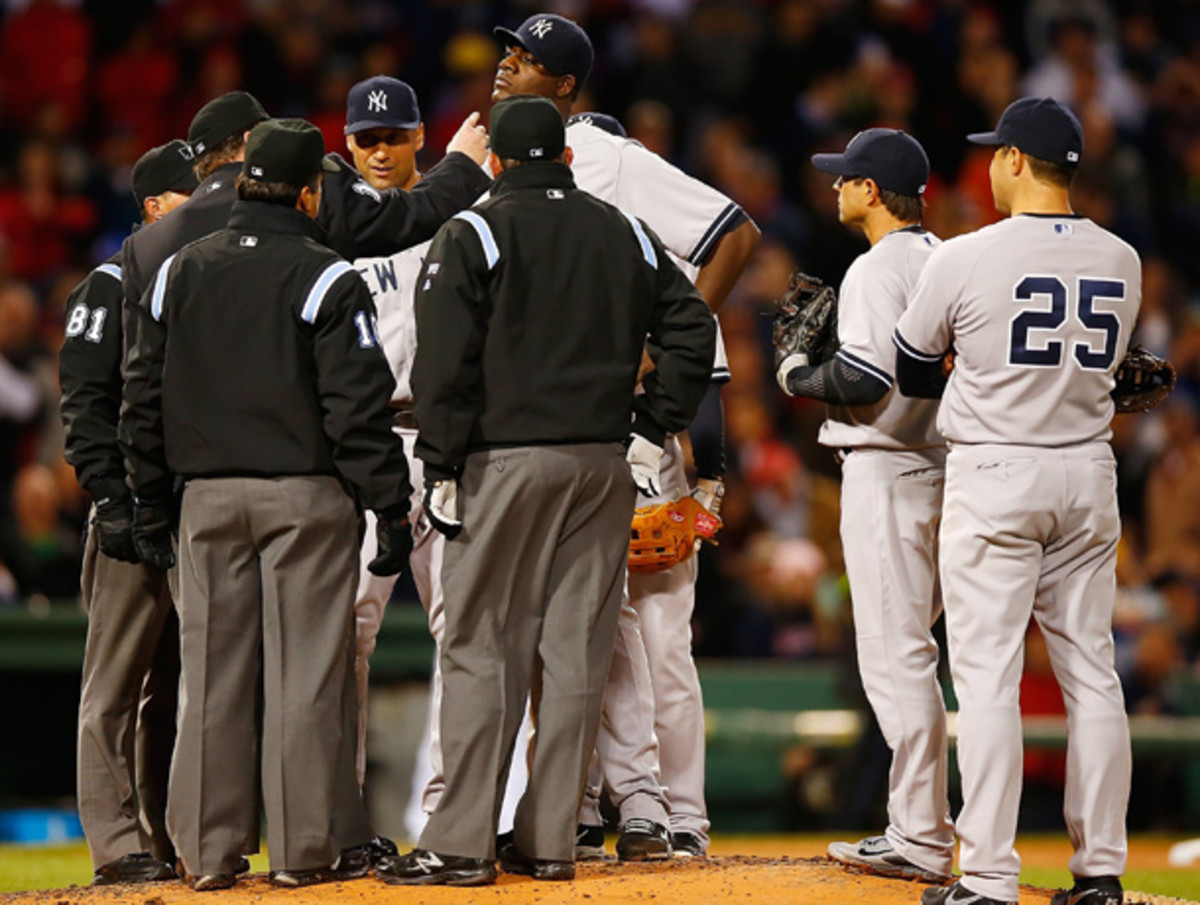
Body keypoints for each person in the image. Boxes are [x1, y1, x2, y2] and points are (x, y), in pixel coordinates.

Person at [405, 12, 757, 861]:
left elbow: (732, 237)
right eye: (506, 54)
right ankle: (564, 826)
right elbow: (684, 327)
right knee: (582, 649)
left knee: (513, 643)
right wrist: (650, 401)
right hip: (595, 453)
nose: (504, 67)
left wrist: (443, 455)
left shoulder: (538, 194)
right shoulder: (609, 227)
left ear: (563, 99)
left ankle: (531, 828)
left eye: (524, 61)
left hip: (511, 451)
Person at [118, 87, 490, 868]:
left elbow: (141, 396)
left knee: (210, 685)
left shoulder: (178, 268)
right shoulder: (325, 274)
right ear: (312, 191)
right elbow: (356, 409)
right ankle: (301, 850)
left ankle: (208, 857)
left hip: (205, 500)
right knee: (305, 678)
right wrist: (389, 505)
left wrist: (151, 502)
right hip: (302, 497)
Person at [894, 97, 1137, 905]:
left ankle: (991, 875)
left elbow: (910, 367)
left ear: (1016, 162)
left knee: (989, 677)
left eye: (998, 152)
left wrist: (972, 370)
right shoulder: (1123, 259)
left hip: (998, 470)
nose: (991, 163)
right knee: (1093, 674)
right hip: (1087, 471)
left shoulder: (965, 256)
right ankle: (1101, 870)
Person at [777, 128, 953, 884]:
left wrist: (792, 372)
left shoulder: (875, 268)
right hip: (949, 469)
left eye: (846, 177)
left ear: (873, 191)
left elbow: (864, 379)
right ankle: (929, 827)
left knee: (895, 656)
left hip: (886, 471)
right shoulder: (947, 256)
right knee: (925, 652)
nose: (837, 186)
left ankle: (918, 834)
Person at [60, 139, 197, 886]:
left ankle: (163, 834)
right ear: (153, 207)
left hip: (189, 509)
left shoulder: (192, 281)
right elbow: (84, 406)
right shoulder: (108, 287)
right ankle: (116, 844)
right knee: (115, 686)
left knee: (174, 688)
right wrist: (110, 498)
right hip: (128, 513)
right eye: (188, 196)